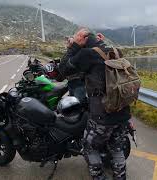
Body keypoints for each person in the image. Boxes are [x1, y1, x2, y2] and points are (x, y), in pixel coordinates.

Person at [57, 29, 130, 180]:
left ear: (83, 41)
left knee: (89, 147)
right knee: (116, 149)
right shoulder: (115, 50)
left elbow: (63, 69)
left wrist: (74, 46)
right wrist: (100, 42)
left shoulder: (86, 54)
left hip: (102, 114)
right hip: (122, 110)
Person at [56, 36, 87, 103]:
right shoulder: (72, 50)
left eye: (70, 41)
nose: (68, 42)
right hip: (71, 82)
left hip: (78, 82)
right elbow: (64, 64)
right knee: (73, 103)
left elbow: (67, 64)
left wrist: (72, 46)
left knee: (79, 103)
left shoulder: (78, 50)